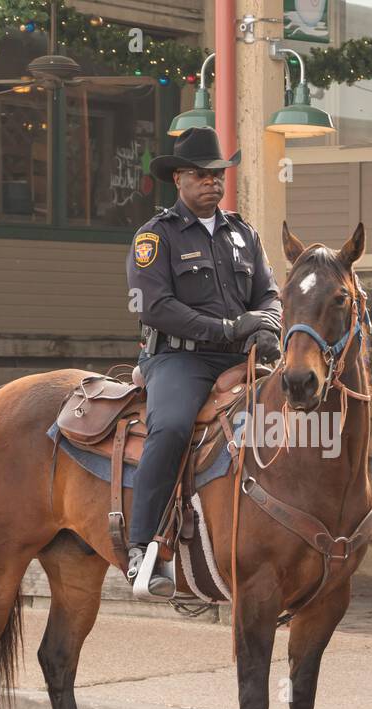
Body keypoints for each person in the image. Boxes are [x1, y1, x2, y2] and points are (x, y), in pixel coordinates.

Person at [123, 127, 283, 596]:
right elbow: (154, 306)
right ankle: (141, 549)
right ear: (178, 179)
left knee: (293, 421)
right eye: (200, 174)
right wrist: (228, 329)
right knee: (171, 428)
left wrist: (269, 328)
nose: (212, 182)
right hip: (179, 359)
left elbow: (269, 295)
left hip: (243, 357)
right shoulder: (156, 237)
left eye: (217, 174)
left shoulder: (244, 234)